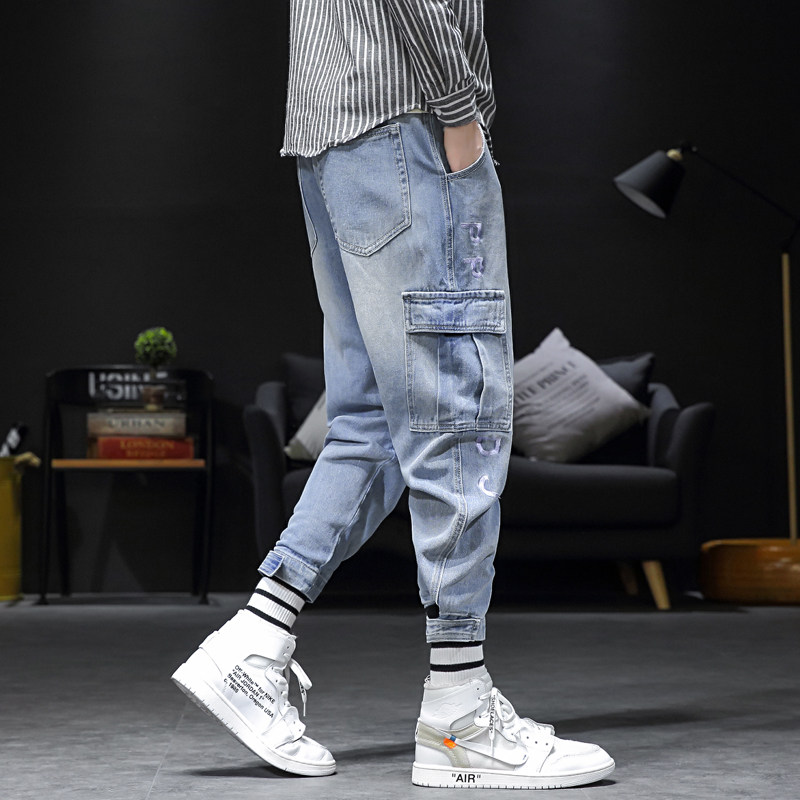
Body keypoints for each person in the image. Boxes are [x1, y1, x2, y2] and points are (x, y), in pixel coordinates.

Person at [172, 1, 615, 789]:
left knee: (374, 417)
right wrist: (460, 109)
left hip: (333, 134)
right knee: (457, 415)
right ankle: (460, 715)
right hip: (408, 121)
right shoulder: (433, 113)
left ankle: (254, 643)